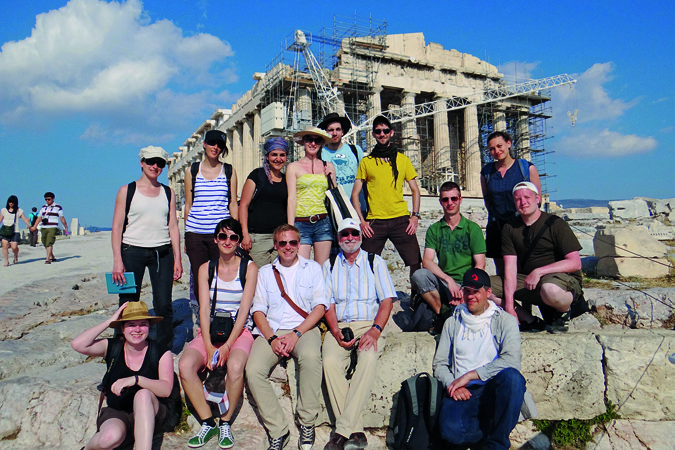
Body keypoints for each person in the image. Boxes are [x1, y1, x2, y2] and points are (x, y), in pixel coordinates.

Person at [245, 224, 328, 450]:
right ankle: (278, 430)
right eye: (283, 243)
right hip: (273, 329)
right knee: (253, 371)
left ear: (299, 244)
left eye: (292, 242)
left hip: (304, 328)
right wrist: (272, 339)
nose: (288, 247)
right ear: (275, 246)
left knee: (311, 359)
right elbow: (258, 311)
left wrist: (297, 333)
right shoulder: (264, 273)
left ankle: (307, 422)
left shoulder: (312, 268)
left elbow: (320, 307)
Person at [433, 268, 534, 450]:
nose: (471, 296)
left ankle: (496, 444)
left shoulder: (505, 321)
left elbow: (512, 361)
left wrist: (473, 375)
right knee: (451, 433)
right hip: (463, 390)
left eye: (476, 292)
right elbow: (440, 363)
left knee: (513, 379)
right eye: (467, 292)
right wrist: (453, 385)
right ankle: (490, 433)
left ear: (488, 293)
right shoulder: (453, 322)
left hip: (491, 386)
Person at [179, 218, 258, 448]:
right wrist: (209, 345)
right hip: (212, 330)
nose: (228, 241)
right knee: (185, 365)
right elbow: (203, 308)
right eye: (223, 236)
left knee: (234, 367)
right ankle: (207, 421)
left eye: (233, 237)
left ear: (238, 241)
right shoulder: (206, 268)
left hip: (238, 331)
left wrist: (226, 346)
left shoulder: (248, 268)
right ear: (215, 239)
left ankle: (225, 422)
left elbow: (245, 309)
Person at [321, 218, 396, 450]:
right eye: (345, 234)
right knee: (330, 361)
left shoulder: (375, 262)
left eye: (354, 233)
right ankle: (357, 431)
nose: (350, 237)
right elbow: (328, 304)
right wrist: (334, 331)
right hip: (341, 324)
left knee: (368, 357)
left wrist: (375, 331)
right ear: (338, 238)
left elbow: (386, 302)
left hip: (369, 324)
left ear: (361, 236)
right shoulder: (330, 264)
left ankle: (342, 431)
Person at [71, 301, 174, 450]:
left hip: (150, 411)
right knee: (109, 438)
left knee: (143, 394)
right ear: (122, 328)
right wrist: (109, 322)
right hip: (118, 412)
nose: (137, 329)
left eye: (143, 324)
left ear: (149, 326)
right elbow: (78, 344)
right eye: (131, 325)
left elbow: (166, 389)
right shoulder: (113, 347)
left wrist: (137, 379)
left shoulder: (161, 352)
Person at [111, 146, 183, 349]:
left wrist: (177, 258)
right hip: (131, 251)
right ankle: (121, 347)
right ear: (141, 162)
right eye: (151, 161)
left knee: (163, 303)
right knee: (127, 301)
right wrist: (117, 259)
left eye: (160, 163)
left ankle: (162, 350)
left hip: (162, 253)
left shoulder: (168, 192)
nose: (155, 166)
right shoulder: (127, 190)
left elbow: (173, 226)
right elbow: (117, 226)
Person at [489, 182, 586, 332]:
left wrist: (539, 271)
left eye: (527, 197)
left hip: (559, 280)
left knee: (550, 289)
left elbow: (575, 263)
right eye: (518, 199)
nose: (523, 202)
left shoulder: (555, 224)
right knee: (482, 288)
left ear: (538, 199)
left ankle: (563, 313)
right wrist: (509, 306)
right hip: (527, 281)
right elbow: (509, 269)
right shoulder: (509, 228)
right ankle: (529, 320)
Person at [351, 115, 422, 277]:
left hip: (401, 219)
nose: (382, 134)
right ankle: (370, 297)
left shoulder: (403, 160)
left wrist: (415, 216)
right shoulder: (366, 161)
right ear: (374, 134)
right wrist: (361, 221)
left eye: (385, 131)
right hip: (375, 220)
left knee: (415, 261)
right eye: (378, 131)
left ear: (391, 132)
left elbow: (415, 190)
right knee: (365, 263)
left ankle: (417, 297)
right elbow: (355, 193)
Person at [410, 182, 486, 329]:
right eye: (445, 199)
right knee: (419, 275)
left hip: (467, 282)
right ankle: (443, 314)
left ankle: (452, 310)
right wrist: (448, 279)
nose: (450, 203)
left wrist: (466, 289)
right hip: (444, 282)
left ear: (460, 200)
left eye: (453, 199)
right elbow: (427, 261)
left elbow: (480, 265)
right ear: (440, 202)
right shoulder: (434, 229)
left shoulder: (472, 229)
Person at [184, 129, 239, 322]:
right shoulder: (192, 171)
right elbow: (189, 204)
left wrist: (236, 233)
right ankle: (203, 319)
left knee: (220, 275)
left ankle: (221, 316)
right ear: (204, 144)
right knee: (200, 277)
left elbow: (232, 203)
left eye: (220, 145)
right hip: (195, 233)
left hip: (221, 234)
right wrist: (186, 234)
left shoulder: (229, 171)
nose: (215, 147)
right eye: (212, 143)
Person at [480, 131, 541, 275]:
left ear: (509, 143)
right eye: (492, 149)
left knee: (523, 269)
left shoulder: (526, 168)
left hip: (521, 226)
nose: (497, 151)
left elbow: (537, 199)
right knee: (502, 272)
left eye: (499, 146)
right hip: (497, 226)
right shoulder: (486, 172)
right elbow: (487, 199)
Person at [286, 126, 336, 265]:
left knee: (322, 269)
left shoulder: (328, 166)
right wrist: (291, 227)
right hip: (300, 223)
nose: (313, 143)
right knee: (302, 268)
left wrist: (331, 176)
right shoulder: (293, 167)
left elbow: (334, 195)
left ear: (321, 144)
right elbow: (291, 198)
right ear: (303, 141)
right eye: (309, 139)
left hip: (323, 221)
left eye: (317, 140)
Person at [239, 137, 289, 266]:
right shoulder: (257, 175)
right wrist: (245, 234)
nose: (278, 159)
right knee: (259, 277)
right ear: (267, 157)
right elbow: (243, 205)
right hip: (258, 238)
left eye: (282, 155)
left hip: (280, 237)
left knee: (278, 277)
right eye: (274, 155)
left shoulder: (286, 179)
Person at [316, 113, 365, 213]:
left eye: (338, 129)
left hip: (359, 207)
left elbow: (366, 178)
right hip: (335, 209)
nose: (334, 133)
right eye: (330, 130)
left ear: (342, 132)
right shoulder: (319, 154)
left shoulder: (356, 150)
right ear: (325, 132)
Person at [31, 191, 69, 264]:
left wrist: (65, 227)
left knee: (49, 242)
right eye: (46, 199)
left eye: (49, 199)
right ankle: (52, 256)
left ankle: (47, 258)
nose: (47, 201)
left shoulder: (58, 207)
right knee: (44, 241)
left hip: (52, 226)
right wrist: (34, 226)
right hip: (44, 226)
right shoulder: (43, 207)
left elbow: (61, 217)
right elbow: (39, 217)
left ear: (53, 199)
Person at [0, 195, 31, 266]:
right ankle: (6, 261)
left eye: (12, 202)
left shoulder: (19, 211)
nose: (11, 203)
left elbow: (24, 219)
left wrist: (29, 226)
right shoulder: (4, 210)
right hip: (5, 230)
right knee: (5, 245)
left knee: (14, 246)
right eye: (10, 202)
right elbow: (0, 219)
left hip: (15, 231)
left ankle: (16, 255)